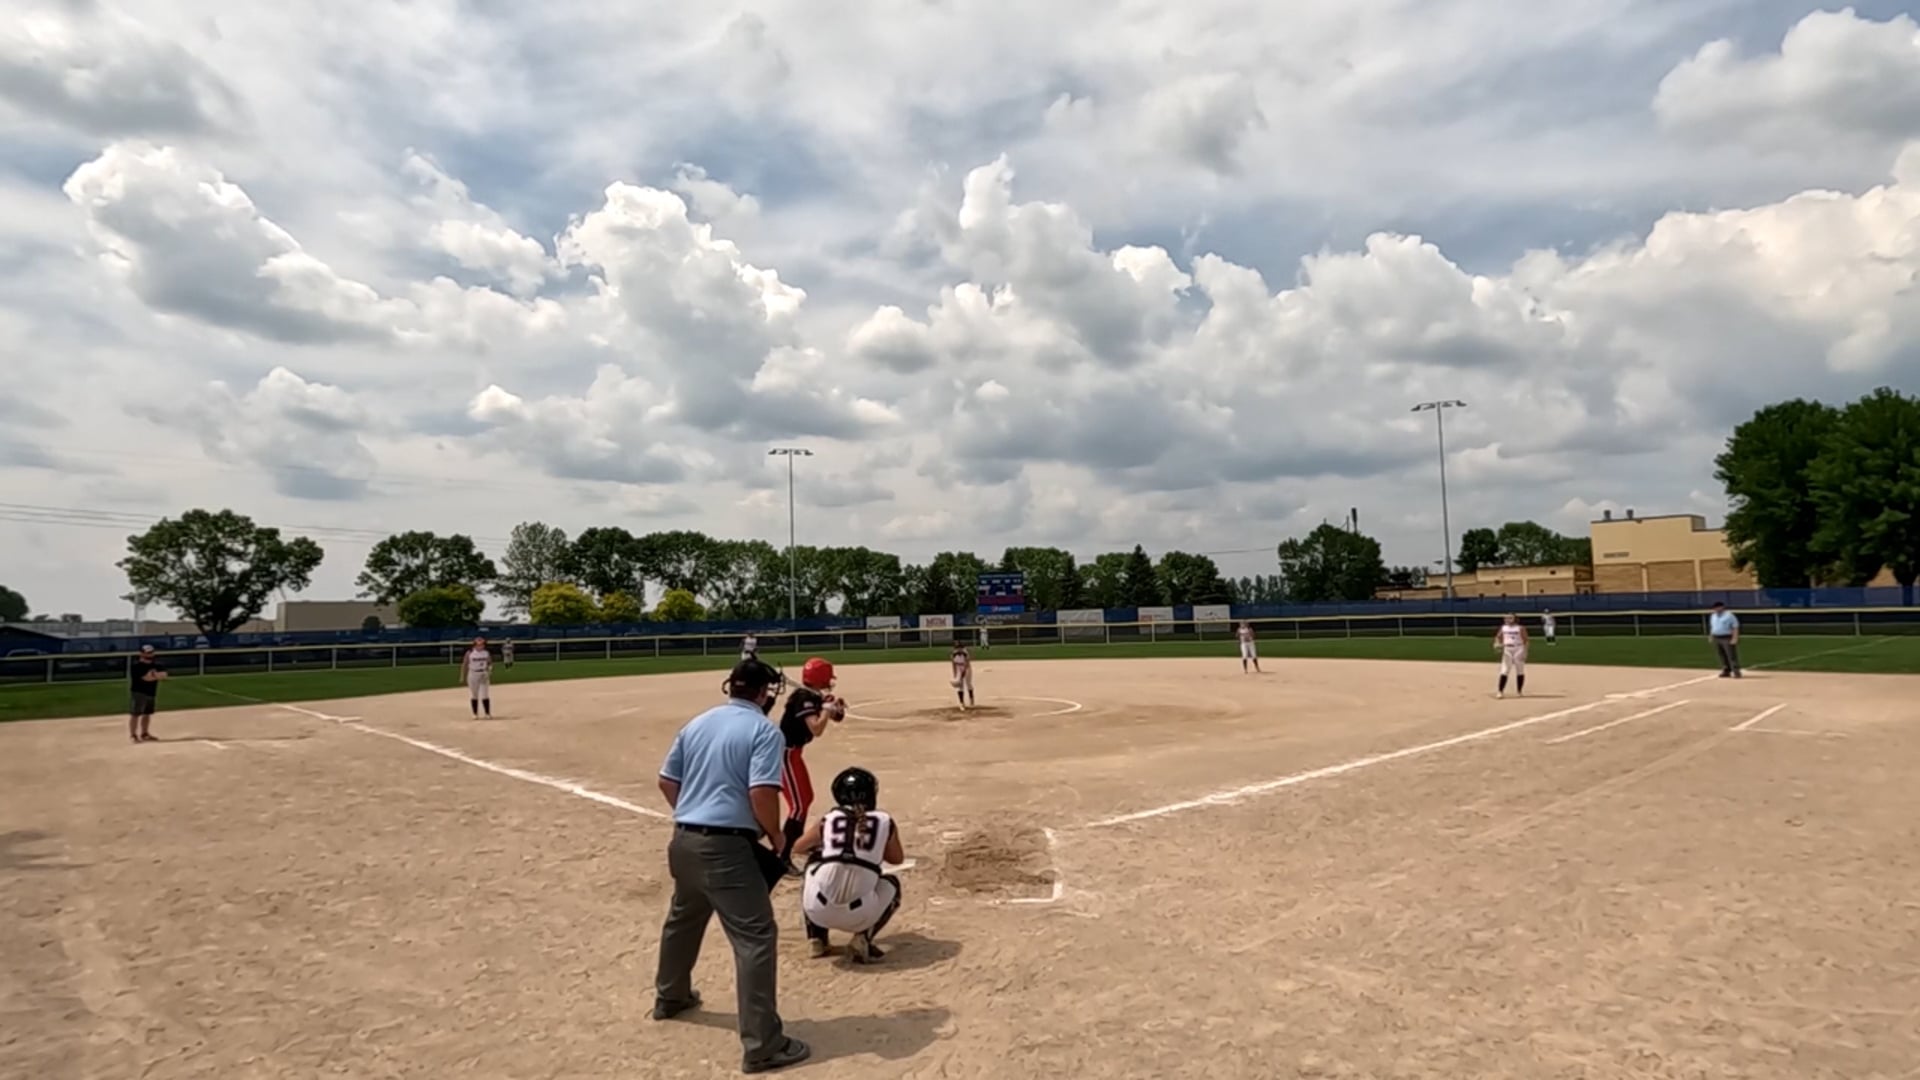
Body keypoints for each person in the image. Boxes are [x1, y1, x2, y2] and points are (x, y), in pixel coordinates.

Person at [653, 658, 810, 1074]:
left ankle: (671, 996)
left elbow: (667, 781)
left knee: (683, 919)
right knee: (756, 936)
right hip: (726, 849)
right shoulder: (763, 730)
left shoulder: (698, 723)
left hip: (684, 839)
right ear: (763, 693)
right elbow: (762, 792)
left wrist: (693, 812)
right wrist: (776, 836)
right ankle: (763, 1045)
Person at [795, 766, 905, 965]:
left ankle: (816, 939)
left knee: (814, 865)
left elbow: (798, 847)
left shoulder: (829, 819)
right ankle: (862, 939)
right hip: (861, 915)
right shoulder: (884, 821)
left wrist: (828, 852)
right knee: (892, 883)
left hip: (817, 911)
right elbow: (896, 859)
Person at [778, 658, 845, 886]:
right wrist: (825, 710)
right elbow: (816, 728)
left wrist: (834, 708)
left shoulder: (813, 696)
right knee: (798, 805)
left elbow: (836, 717)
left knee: (806, 798)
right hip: (784, 755)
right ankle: (782, 857)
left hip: (794, 754)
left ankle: (799, 843)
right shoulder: (803, 699)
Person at [129, 644, 167, 743]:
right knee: (136, 714)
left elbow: (164, 675)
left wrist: (153, 675)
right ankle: (133, 735)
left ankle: (144, 733)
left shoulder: (157, 664)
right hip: (139, 692)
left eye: (151, 652)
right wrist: (156, 676)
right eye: (147, 653)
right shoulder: (136, 666)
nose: (150, 655)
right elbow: (146, 678)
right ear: (141, 653)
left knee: (147, 713)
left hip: (151, 692)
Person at [1493, 614, 1528, 699]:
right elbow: (1498, 637)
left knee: (1520, 670)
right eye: (1506, 618)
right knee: (1505, 670)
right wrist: (1497, 644)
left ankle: (1519, 691)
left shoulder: (1520, 628)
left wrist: (1525, 652)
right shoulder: (1503, 628)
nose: (1507, 619)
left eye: (1510, 618)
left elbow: (1525, 640)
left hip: (1519, 648)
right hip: (1507, 649)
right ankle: (1500, 691)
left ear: (1515, 619)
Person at [461, 636, 493, 718]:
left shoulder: (486, 653)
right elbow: (465, 664)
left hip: (483, 673)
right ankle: (475, 713)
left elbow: (489, 662)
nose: (481, 646)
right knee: (474, 694)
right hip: (473, 674)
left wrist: (489, 669)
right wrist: (462, 676)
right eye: (478, 644)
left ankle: (487, 713)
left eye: (482, 644)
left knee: (485, 694)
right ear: (474, 645)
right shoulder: (470, 653)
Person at [1708, 602, 1742, 678]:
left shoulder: (1729, 615)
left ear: (1722, 607)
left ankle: (1736, 671)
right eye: (1714, 608)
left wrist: (1735, 638)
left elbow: (1735, 627)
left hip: (1726, 637)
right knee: (1721, 655)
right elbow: (1712, 627)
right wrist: (1711, 636)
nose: (1715, 609)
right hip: (1717, 637)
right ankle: (1726, 670)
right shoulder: (1713, 616)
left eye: (1717, 607)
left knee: (1731, 655)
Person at [950, 642, 975, 709]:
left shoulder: (965, 653)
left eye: (960, 648)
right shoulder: (953, 654)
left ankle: (971, 699)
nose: (959, 649)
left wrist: (964, 672)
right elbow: (953, 665)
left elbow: (967, 663)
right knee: (960, 686)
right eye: (957, 648)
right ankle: (961, 703)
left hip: (967, 668)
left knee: (968, 683)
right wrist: (955, 674)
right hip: (958, 668)